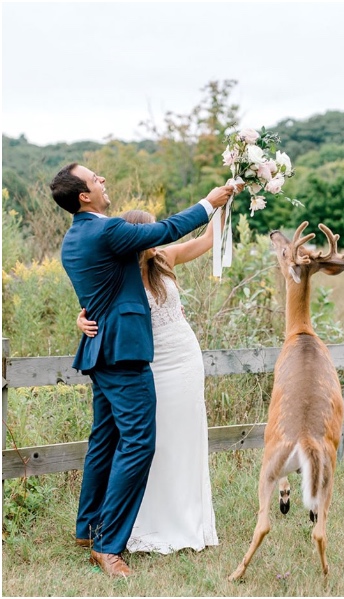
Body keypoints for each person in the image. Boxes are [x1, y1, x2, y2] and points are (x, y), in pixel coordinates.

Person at [50, 162, 239, 577]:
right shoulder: (106, 229)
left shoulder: (74, 238)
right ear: (83, 196)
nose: (102, 179)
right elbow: (166, 231)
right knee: (138, 443)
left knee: (104, 440)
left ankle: (87, 527)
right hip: (124, 355)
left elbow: (103, 290)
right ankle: (108, 546)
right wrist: (209, 202)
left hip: (102, 353)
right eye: (94, 178)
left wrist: (82, 318)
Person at [76, 209, 222, 555]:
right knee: (149, 442)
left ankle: (186, 516)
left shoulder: (164, 256)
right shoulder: (116, 271)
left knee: (185, 436)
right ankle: (143, 520)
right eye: (150, 232)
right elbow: (93, 307)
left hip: (184, 357)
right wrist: (79, 321)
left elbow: (207, 240)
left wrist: (223, 200)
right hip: (148, 364)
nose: (157, 238)